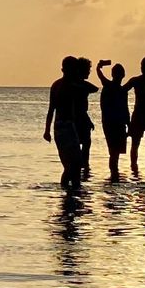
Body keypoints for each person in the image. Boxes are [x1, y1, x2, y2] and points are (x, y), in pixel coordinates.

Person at [42, 55, 97, 189]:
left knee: (72, 165)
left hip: (61, 127)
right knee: (73, 165)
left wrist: (47, 130)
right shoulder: (70, 85)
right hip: (66, 127)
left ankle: (71, 192)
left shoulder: (59, 84)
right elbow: (93, 88)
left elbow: (51, 110)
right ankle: (69, 190)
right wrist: (46, 130)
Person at [95, 59, 131, 178]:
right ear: (123, 75)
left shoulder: (109, 85)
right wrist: (129, 124)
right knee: (115, 153)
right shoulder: (120, 89)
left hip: (111, 123)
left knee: (113, 152)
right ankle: (114, 174)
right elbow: (125, 110)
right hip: (116, 123)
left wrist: (99, 66)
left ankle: (114, 174)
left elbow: (99, 73)